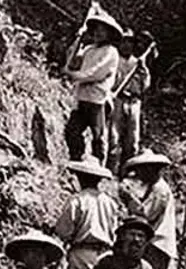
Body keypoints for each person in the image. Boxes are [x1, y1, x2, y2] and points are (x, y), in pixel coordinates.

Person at [119, 149, 177, 269]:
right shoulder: (154, 188)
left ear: (152, 169)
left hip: (158, 242)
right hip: (156, 241)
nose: (139, 174)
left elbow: (146, 214)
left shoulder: (160, 189)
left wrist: (128, 198)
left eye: (143, 170)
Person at [64, 7, 122, 163]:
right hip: (82, 98)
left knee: (98, 137)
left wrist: (76, 77)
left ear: (109, 34)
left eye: (102, 31)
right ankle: (77, 160)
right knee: (72, 131)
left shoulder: (111, 52)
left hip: (98, 100)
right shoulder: (88, 49)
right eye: (96, 30)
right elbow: (71, 62)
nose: (98, 33)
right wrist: (78, 41)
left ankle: (98, 169)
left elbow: (97, 73)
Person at [107, 29, 152, 174]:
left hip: (134, 103)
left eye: (130, 42)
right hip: (118, 100)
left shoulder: (138, 62)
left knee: (132, 141)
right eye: (124, 41)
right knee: (114, 138)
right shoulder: (113, 60)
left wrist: (143, 69)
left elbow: (145, 86)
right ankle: (110, 171)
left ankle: (126, 173)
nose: (126, 45)